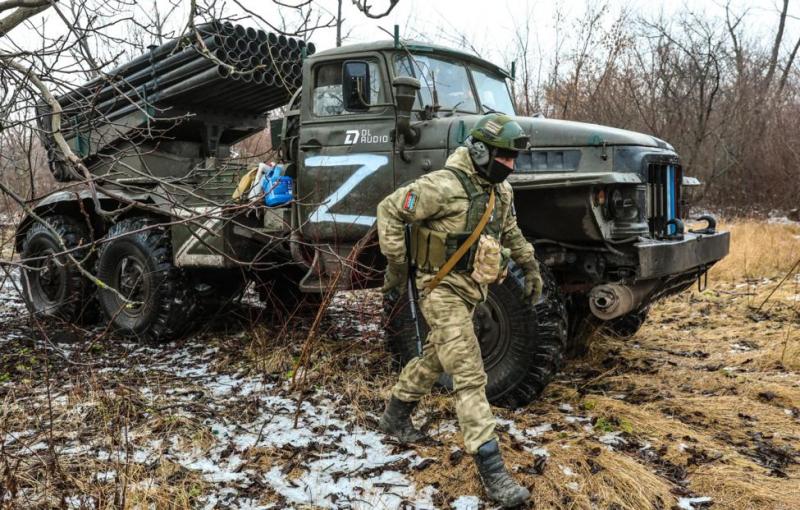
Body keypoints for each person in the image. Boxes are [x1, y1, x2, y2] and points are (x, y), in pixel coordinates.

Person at [376, 113, 543, 508]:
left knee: (436, 355)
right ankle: (492, 469)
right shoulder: (442, 186)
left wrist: (530, 265)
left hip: (473, 289)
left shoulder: (500, 192)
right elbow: (389, 209)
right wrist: (398, 268)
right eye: (504, 157)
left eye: (514, 159)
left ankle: (395, 415)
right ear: (482, 151)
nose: (511, 166)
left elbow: (511, 230)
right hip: (439, 289)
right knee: (468, 371)